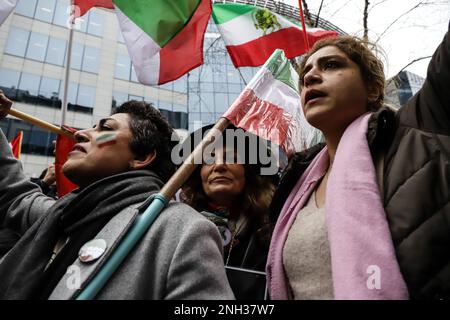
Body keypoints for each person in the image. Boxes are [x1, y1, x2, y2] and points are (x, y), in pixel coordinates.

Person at [267, 23, 450, 300]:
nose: (311, 77)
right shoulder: (294, 183)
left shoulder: (417, 132)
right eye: (306, 74)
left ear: (374, 89)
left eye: (330, 65)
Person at [0, 97, 234, 300]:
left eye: (105, 129)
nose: (80, 134)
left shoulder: (183, 231)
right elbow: (15, 195)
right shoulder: (64, 214)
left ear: (141, 157)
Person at [182, 124, 277, 299]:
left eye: (232, 158)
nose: (219, 165)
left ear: (248, 172)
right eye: (208, 159)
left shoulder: (273, 232)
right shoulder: (178, 228)